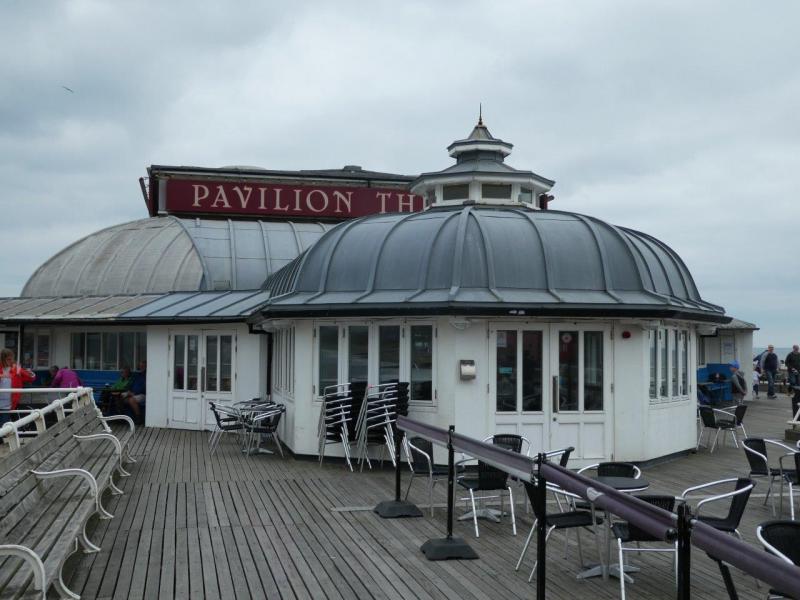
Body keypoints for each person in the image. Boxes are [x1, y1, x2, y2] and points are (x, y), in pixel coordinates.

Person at [0, 348, 36, 426]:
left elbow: (30, 378)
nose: (11, 361)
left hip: (8, 404)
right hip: (4, 401)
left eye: (11, 359)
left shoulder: (16, 369)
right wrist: (1, 376)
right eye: (8, 359)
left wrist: (30, 373)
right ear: (2, 359)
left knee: (3, 426)